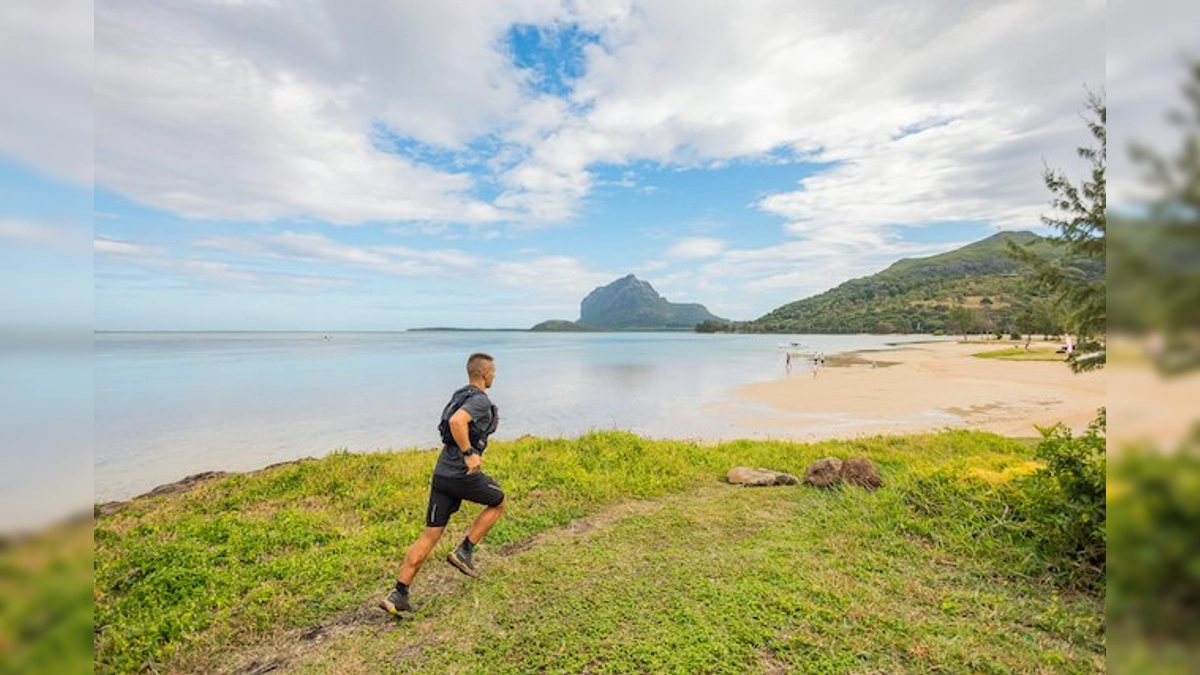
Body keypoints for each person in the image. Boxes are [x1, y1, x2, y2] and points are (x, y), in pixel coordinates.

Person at [381, 353, 506, 617]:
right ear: (484, 374)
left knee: (430, 534)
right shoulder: (480, 401)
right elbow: (456, 422)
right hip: (462, 475)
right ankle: (464, 551)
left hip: (442, 475)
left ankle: (399, 594)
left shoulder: (459, 394)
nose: (494, 375)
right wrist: (469, 453)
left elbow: (453, 421)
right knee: (499, 500)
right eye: (493, 371)